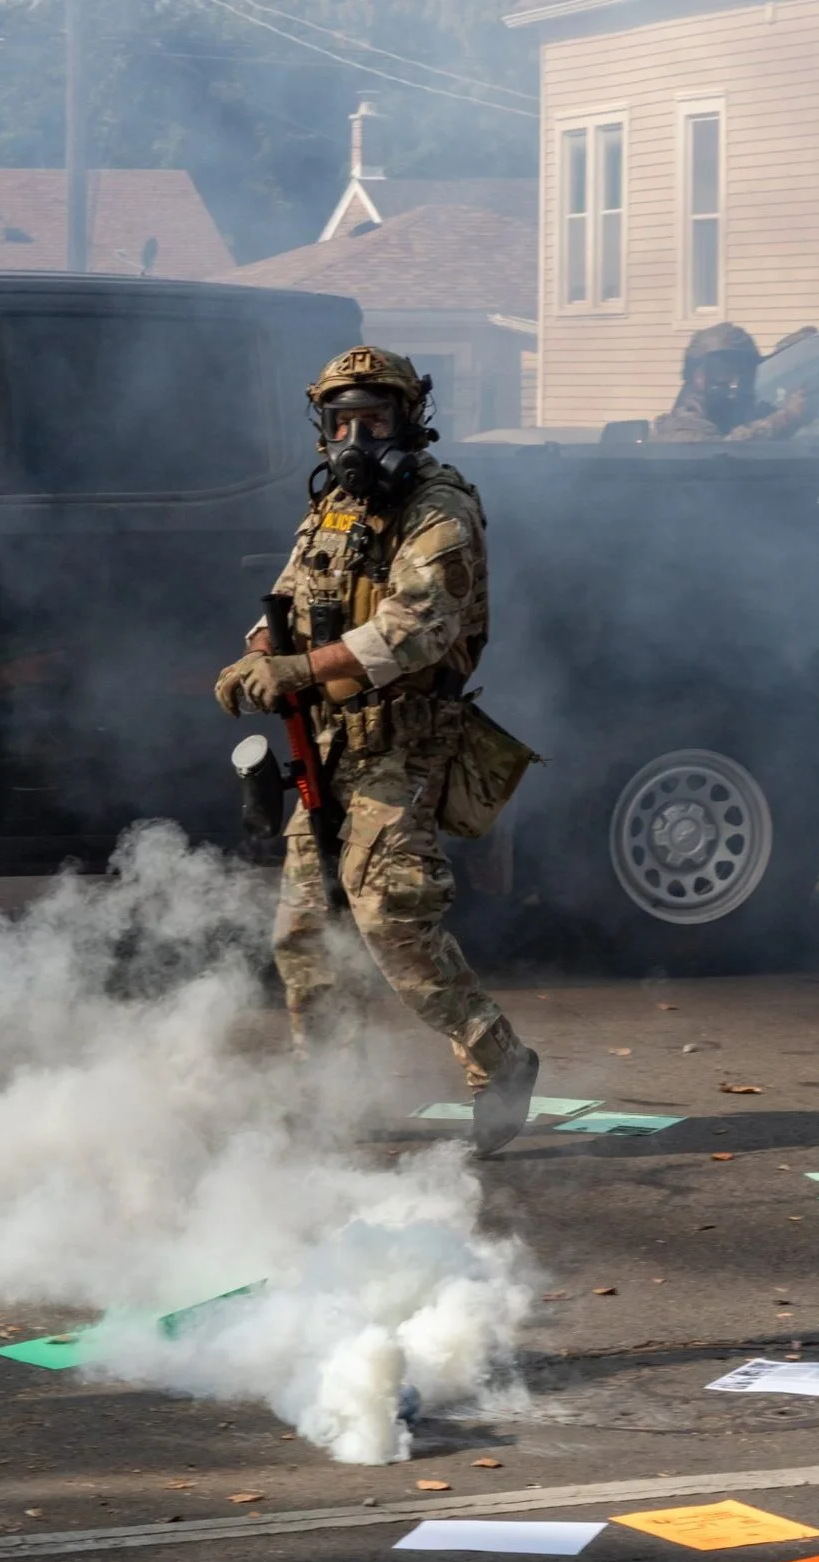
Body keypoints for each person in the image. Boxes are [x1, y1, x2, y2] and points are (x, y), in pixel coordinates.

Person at [215, 347, 539, 1156]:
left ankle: (500, 1063)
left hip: (403, 743)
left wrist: (294, 669)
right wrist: (256, 655)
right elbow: (289, 600)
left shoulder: (440, 510)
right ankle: (334, 1097)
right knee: (303, 929)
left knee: (394, 922)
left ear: (410, 421)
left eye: (375, 419)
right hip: (325, 746)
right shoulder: (331, 510)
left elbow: (411, 632)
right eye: (341, 421)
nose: (356, 436)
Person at [651, 322, 806, 443]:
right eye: (722, 372)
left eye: (744, 374)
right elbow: (724, 452)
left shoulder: (729, 418)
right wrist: (787, 418)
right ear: (695, 376)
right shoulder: (682, 428)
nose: (735, 384)